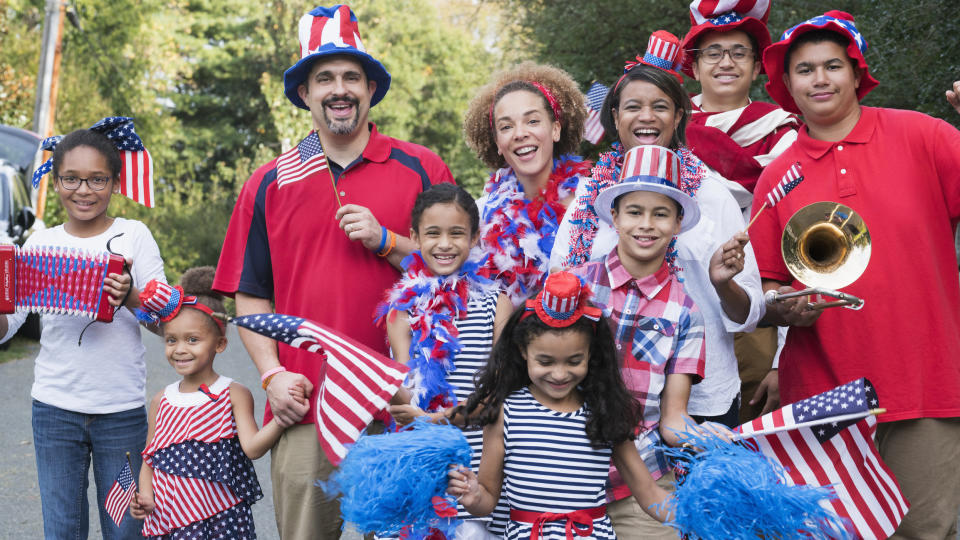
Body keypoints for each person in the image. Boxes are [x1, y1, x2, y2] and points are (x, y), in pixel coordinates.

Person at [212, 5, 455, 538]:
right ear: (305, 93)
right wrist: (273, 376)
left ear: (371, 87)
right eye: (324, 78)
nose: (338, 89)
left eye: (350, 76)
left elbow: (457, 275)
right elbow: (251, 298)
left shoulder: (421, 167)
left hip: (403, 402)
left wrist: (388, 241)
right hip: (306, 403)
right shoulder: (270, 182)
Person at [752, 11, 960, 538]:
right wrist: (784, 306)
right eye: (804, 69)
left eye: (832, 66)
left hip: (924, 383)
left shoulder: (925, 135)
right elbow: (767, 287)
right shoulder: (778, 176)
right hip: (823, 396)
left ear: (856, 72)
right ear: (786, 84)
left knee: (923, 533)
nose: (819, 79)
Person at [0, 120, 163, 540]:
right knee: (62, 530)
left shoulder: (135, 236)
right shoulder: (38, 245)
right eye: (71, 178)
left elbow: (167, 323)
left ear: (114, 183)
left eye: (97, 179)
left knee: (126, 530)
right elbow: (8, 327)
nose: (84, 190)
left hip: (121, 414)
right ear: (55, 183)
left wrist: (129, 296)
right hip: (54, 410)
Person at [447, 271, 671, 539]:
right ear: (523, 351)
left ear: (591, 354)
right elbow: (488, 498)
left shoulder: (605, 411)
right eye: (545, 362)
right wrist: (473, 496)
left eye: (574, 361)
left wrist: (705, 519)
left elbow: (650, 493)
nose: (560, 374)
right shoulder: (505, 412)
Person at [678, 0, 799, 423]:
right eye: (712, 52)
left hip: (758, 316)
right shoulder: (664, 125)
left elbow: (796, 246)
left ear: (755, 66)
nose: (725, 63)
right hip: (673, 306)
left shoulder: (783, 134)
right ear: (693, 67)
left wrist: (784, 358)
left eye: (738, 53)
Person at [377, 183, 511, 539]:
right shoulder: (402, 308)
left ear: (475, 236)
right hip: (420, 458)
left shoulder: (496, 303)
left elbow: (498, 393)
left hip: (480, 465)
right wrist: (379, 385)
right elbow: (405, 391)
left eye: (457, 233)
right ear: (414, 237)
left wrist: (437, 418)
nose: (445, 244)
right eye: (433, 233)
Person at [129, 268, 301, 538]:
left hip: (221, 520)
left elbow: (253, 448)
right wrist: (146, 496)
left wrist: (281, 418)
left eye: (193, 340)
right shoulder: (161, 400)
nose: (180, 349)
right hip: (170, 519)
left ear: (219, 344)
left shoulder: (233, 393)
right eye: (171, 340)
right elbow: (150, 459)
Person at [463, 62, 592, 305]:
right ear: (498, 144)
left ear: (555, 129)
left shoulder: (594, 202)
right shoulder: (479, 217)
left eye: (532, 121)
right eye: (506, 126)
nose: (520, 133)